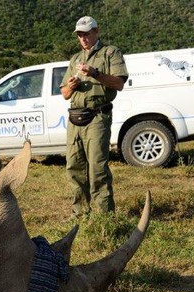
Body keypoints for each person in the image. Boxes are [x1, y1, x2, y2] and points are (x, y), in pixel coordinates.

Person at [60, 16, 128, 215]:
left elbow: (119, 84)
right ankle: (80, 213)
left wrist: (95, 73)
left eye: (86, 34)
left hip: (97, 116)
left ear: (96, 31)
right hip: (75, 117)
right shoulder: (75, 59)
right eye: (79, 35)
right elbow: (64, 94)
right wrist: (71, 87)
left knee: (97, 167)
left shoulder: (110, 53)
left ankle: (103, 216)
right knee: (74, 167)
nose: (83, 38)